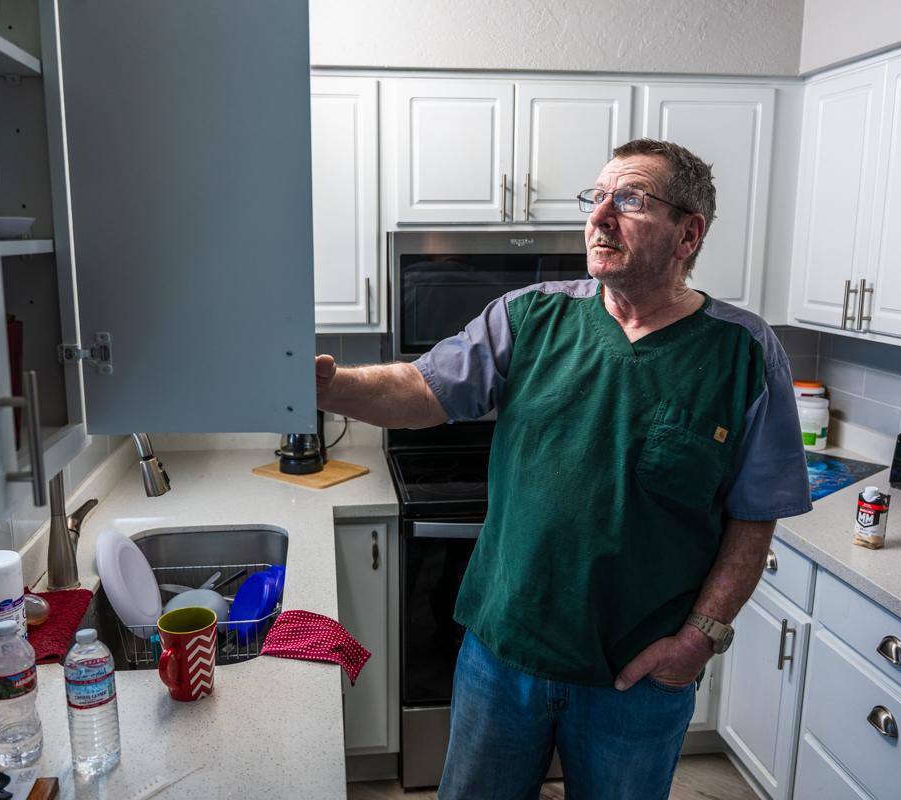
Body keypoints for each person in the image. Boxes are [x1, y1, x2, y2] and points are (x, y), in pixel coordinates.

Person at [316, 138, 811, 800]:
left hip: (637, 675)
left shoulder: (742, 352)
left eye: (630, 200)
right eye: (595, 197)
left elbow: (755, 514)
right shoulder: (531, 316)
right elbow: (420, 389)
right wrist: (330, 386)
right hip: (502, 656)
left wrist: (701, 637)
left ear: (688, 234)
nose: (599, 216)